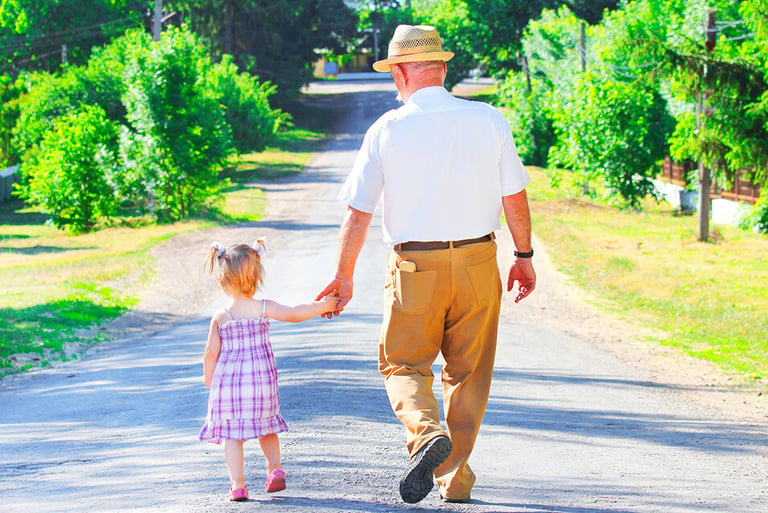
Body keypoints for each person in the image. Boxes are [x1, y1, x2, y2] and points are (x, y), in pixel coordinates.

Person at [316, 25, 536, 504]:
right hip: (479, 259)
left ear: (399, 73)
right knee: (469, 372)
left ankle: (425, 433)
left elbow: (358, 212)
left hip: (415, 266)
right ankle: (453, 479)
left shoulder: (387, 130)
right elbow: (514, 195)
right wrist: (523, 256)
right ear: (441, 67)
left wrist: (343, 275)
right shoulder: (489, 119)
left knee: (403, 363)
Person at [199, 238, 339, 502]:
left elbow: (210, 353)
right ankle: (274, 470)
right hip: (261, 385)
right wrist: (324, 305)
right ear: (257, 276)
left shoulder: (221, 317)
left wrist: (210, 380)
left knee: (233, 437)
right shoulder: (264, 308)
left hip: (230, 388)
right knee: (267, 428)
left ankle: (238, 485)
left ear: (223, 280)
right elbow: (296, 313)